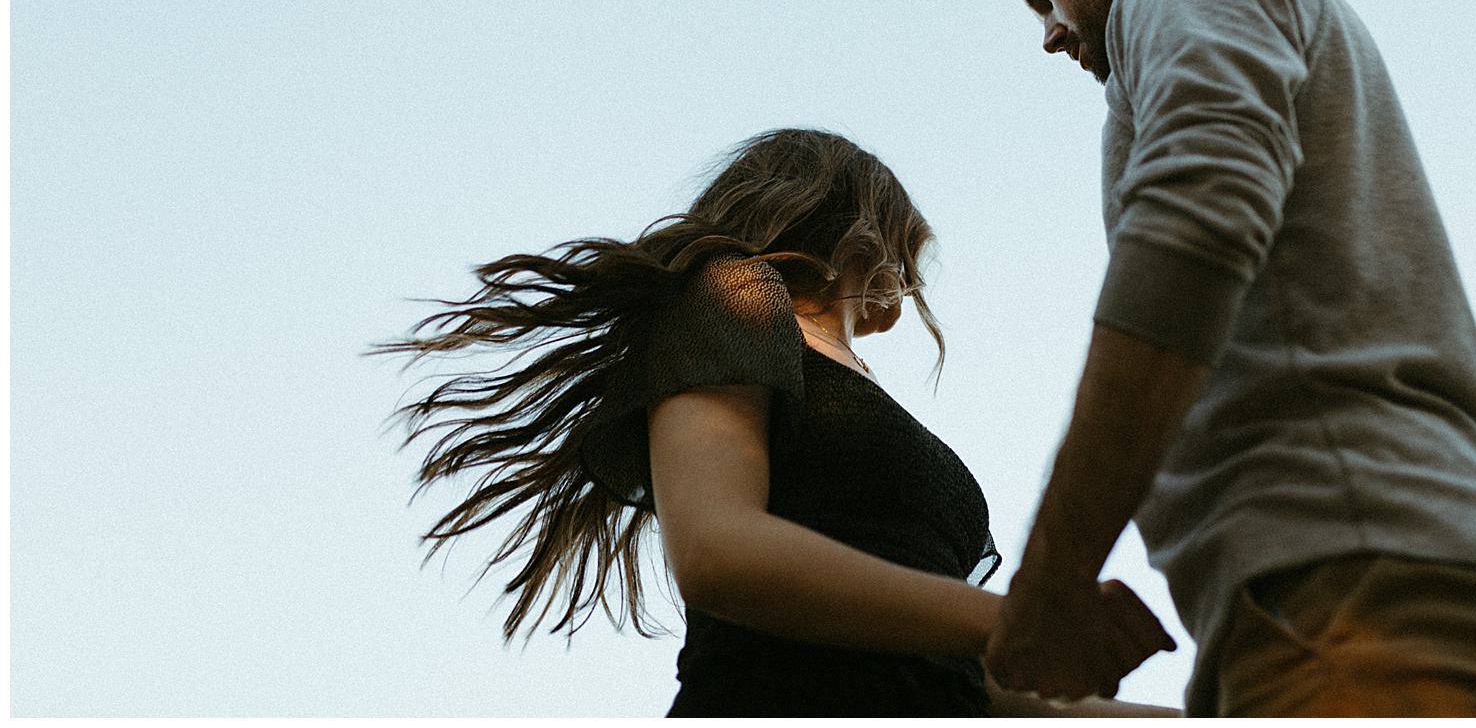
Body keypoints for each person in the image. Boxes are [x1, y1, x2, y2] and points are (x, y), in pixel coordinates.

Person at [984, 0, 1476, 717]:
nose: (1047, 32)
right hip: (1407, 579)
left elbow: (1198, 215)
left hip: (1359, 589)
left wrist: (1051, 578)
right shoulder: (1266, 4)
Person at [377, 127, 1178, 717]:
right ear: (860, 224)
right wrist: (1017, 618)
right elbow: (719, 551)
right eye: (905, 249)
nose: (907, 281)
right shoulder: (737, 294)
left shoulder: (862, 386)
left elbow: (956, 685)